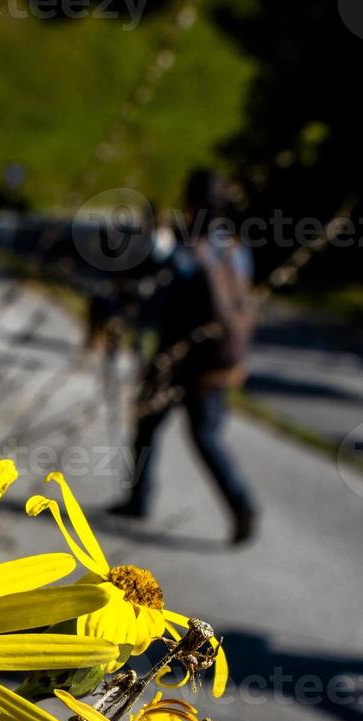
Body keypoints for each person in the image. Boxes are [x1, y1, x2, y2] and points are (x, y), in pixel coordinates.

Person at [109, 169, 259, 545]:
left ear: (191, 203)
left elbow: (153, 293)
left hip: (175, 358)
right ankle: (240, 502)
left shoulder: (186, 251)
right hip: (218, 363)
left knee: (145, 426)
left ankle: (139, 499)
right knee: (207, 437)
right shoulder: (237, 250)